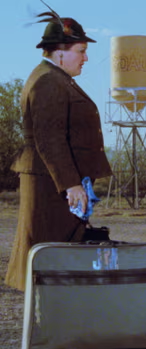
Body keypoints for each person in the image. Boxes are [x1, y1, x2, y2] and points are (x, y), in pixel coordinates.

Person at [4, 4, 112, 291]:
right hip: (50, 186)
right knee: (48, 257)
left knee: (56, 258)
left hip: (54, 184)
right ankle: (49, 329)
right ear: (59, 51)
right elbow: (49, 138)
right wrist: (71, 184)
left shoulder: (56, 79)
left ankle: (58, 324)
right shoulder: (48, 82)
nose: (86, 58)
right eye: (81, 51)